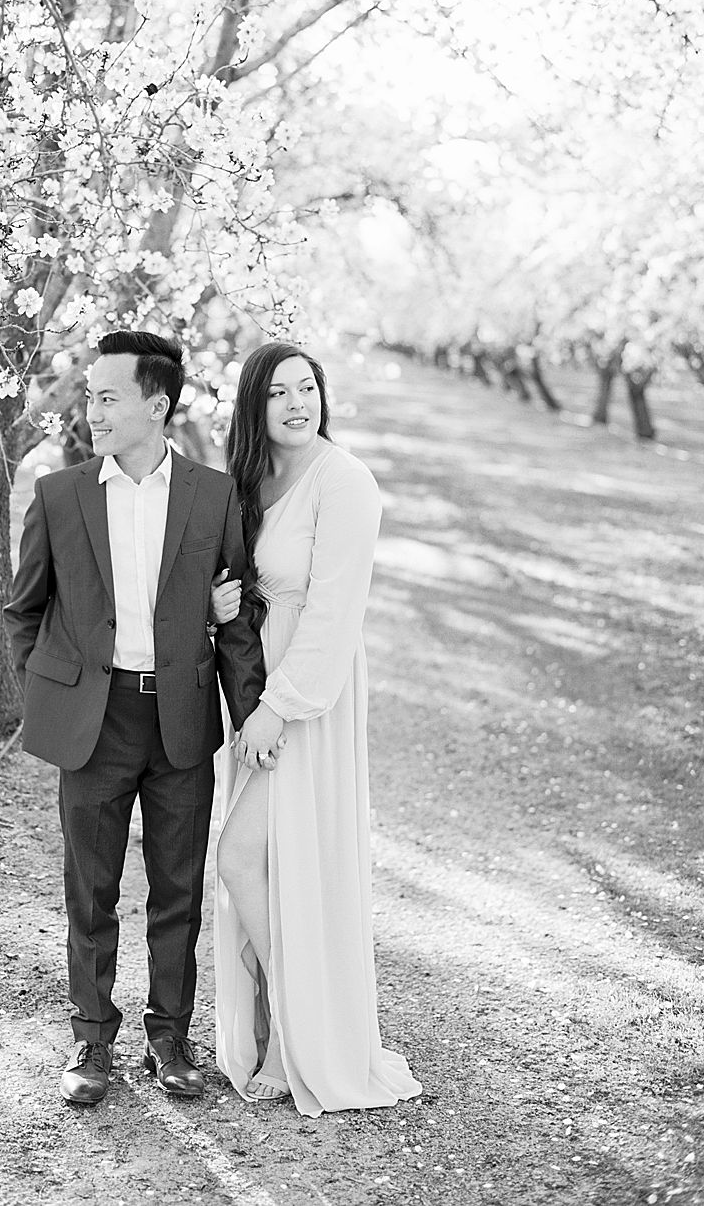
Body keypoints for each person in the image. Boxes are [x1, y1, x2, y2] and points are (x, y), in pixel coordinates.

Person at [4, 329, 269, 1105]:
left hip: (181, 717)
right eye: (90, 395)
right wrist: (48, 694)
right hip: (96, 721)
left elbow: (238, 619)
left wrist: (251, 714)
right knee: (90, 889)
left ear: (157, 405)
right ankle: (91, 1040)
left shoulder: (213, 495)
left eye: (108, 396)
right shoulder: (60, 495)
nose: (93, 409)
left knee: (177, 888)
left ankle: (170, 1036)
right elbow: (25, 611)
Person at [204, 341, 421, 1116]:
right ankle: (275, 1031)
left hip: (305, 697)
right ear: (254, 406)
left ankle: (304, 1035)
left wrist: (277, 707)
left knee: (240, 859)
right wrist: (221, 609)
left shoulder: (346, 482)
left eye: (308, 388)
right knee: (262, 865)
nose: (298, 404)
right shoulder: (253, 478)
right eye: (280, 393)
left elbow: (333, 615)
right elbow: (241, 581)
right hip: (258, 685)